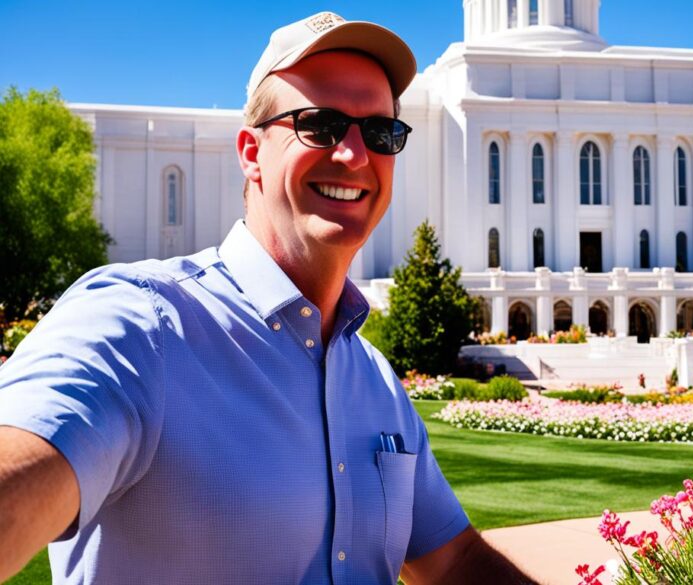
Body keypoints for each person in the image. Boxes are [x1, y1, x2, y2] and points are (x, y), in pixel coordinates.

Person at [0, 12, 536, 585]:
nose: (355, 156)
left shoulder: (374, 380)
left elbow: (453, 561)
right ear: (251, 153)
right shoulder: (142, 322)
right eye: (321, 125)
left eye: (380, 133)